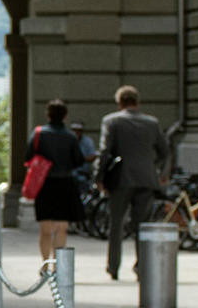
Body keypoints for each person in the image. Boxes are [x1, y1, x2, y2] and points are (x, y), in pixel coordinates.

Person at [99, 85, 169, 280]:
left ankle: (113, 266)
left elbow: (105, 152)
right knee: (143, 225)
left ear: (120, 103)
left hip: (120, 179)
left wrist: (99, 177)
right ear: (138, 102)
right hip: (146, 179)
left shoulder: (111, 121)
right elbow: (165, 151)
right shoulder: (152, 123)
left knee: (116, 224)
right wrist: (156, 169)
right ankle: (142, 266)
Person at [25, 99, 85, 264]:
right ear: (65, 116)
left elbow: (28, 157)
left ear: (48, 115)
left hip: (44, 184)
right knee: (61, 227)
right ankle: (56, 265)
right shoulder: (71, 137)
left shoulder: (38, 133)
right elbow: (78, 160)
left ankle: (45, 262)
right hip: (65, 183)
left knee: (45, 228)